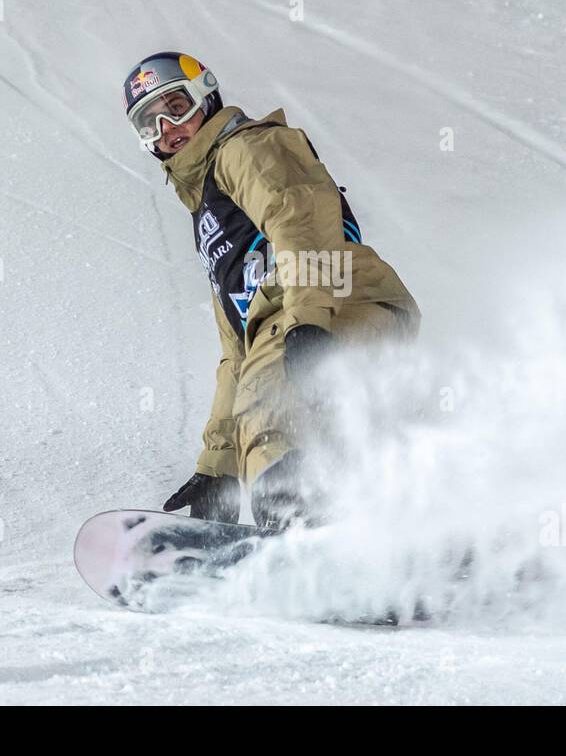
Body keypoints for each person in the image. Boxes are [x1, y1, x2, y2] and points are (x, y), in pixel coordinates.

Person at [122, 51, 420, 529]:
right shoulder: (210, 220)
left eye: (174, 108)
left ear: (206, 95)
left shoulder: (245, 149)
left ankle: (305, 535)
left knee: (270, 409)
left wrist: (307, 323)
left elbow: (299, 217)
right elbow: (236, 352)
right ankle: (389, 533)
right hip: (305, 321)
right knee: (320, 426)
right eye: (148, 125)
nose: (167, 129)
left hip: (337, 302)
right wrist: (218, 465)